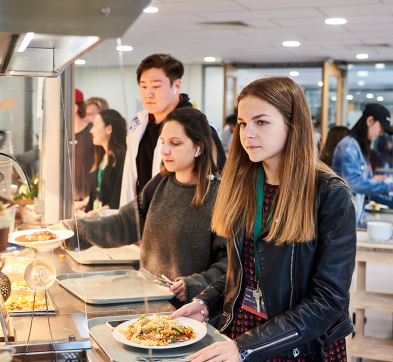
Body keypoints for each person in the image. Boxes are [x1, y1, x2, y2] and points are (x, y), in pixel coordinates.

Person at [171, 76, 356, 362]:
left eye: (262, 122)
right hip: (242, 333)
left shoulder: (329, 194)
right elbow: (243, 273)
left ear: (292, 125)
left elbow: (329, 301)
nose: (247, 134)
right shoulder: (241, 184)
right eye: (243, 123)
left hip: (296, 345)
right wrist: (207, 302)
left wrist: (247, 346)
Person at [50, 107, 227, 303]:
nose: (164, 151)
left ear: (199, 147)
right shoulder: (159, 184)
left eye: (175, 143)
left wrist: (197, 284)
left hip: (190, 314)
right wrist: (73, 229)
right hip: (149, 304)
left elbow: (230, 263)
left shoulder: (218, 197)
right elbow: (123, 224)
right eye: (163, 142)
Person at [119, 54, 226, 207]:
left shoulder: (200, 127)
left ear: (176, 86)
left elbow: (220, 181)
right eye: (143, 86)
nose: (148, 94)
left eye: (156, 86)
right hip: (142, 222)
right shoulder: (137, 127)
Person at [332, 103, 393, 225]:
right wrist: (388, 186)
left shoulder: (361, 147)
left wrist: (373, 182)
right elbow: (354, 183)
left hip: (353, 218)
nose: (381, 133)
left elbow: (363, 183)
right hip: (340, 221)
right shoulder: (349, 146)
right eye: (381, 127)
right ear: (370, 121)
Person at [80, 109, 127, 216]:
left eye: (95, 125)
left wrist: (96, 212)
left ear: (109, 129)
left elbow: (118, 200)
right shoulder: (102, 158)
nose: (91, 130)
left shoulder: (121, 159)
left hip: (110, 220)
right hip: (98, 218)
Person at [74, 89, 95, 209]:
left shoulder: (93, 132)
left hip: (88, 202)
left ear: (74, 108)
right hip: (69, 201)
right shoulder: (64, 135)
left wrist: (93, 197)